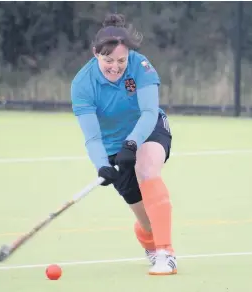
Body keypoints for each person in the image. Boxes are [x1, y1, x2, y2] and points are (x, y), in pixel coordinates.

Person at [71, 13, 177, 275]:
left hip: (148, 130)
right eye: (108, 61)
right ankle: (150, 241)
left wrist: (132, 142)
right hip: (111, 148)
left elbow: (149, 112)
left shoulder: (140, 66)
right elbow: (93, 137)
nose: (116, 67)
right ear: (96, 53)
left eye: (121, 60)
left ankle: (166, 254)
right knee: (146, 221)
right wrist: (102, 166)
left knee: (147, 169)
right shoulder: (82, 85)